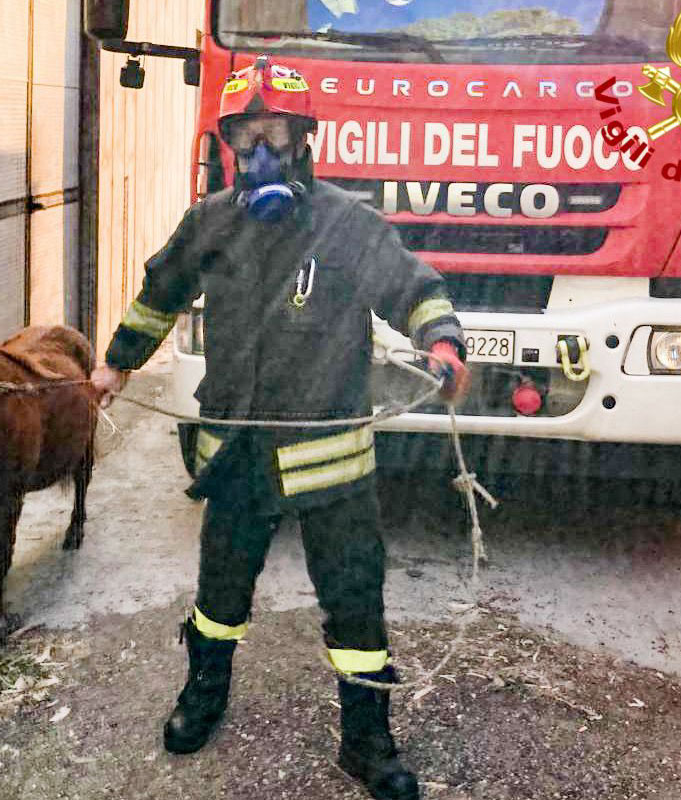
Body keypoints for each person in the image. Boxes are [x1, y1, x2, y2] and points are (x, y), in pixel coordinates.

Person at [91, 55, 470, 800]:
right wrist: (116, 365)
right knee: (220, 595)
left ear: (303, 141)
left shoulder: (348, 224)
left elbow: (414, 286)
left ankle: (367, 743)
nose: (261, 152)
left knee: (355, 599)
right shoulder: (209, 224)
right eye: (246, 137)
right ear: (230, 144)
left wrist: (444, 342)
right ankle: (204, 696)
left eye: (275, 135)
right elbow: (157, 295)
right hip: (238, 454)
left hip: (332, 465)